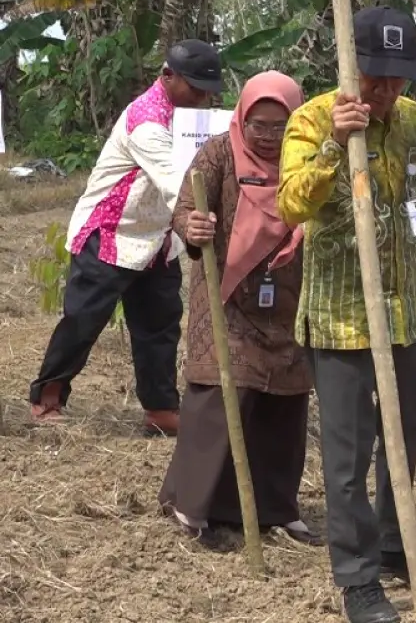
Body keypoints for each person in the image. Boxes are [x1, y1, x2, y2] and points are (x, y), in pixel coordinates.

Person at [278, 5, 416, 623]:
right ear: (348, 68)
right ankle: (355, 576)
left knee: (405, 436)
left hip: (402, 311)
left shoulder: (410, 121)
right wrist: (334, 141)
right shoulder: (310, 120)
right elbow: (292, 205)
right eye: (373, 80)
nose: (384, 93)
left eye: (396, 80)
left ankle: (391, 542)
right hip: (339, 318)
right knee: (348, 456)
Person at [158, 71, 321, 550]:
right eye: (260, 126)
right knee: (220, 398)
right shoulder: (217, 152)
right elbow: (187, 204)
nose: (269, 138)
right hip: (227, 295)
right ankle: (192, 504)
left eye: (281, 126)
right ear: (242, 118)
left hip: (289, 298)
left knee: (285, 403)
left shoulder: (306, 158)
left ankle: (276, 508)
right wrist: (193, 225)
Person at [27, 39, 224, 435]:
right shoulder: (146, 120)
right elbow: (176, 182)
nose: (202, 97)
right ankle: (48, 394)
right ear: (167, 76)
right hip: (111, 233)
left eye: (208, 90)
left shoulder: (197, 120)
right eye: (195, 87)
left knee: (160, 325)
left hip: (158, 237)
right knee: (83, 321)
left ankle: (160, 408)